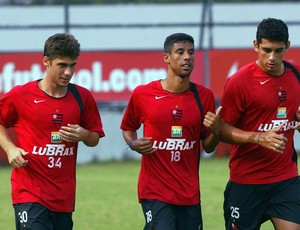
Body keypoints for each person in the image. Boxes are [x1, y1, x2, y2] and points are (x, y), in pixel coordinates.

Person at [0, 33, 105, 229]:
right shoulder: (22, 95)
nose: (68, 72)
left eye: (72, 65)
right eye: (62, 65)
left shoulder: (82, 97)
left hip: (63, 198)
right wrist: (10, 148)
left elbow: (94, 138)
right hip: (29, 193)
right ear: (46, 61)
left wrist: (84, 135)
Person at [120, 33, 221, 230]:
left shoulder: (204, 96)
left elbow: (208, 147)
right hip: (154, 192)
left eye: (191, 52)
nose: (187, 57)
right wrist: (133, 144)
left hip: (189, 194)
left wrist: (216, 131)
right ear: (166, 57)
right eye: (180, 52)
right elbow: (127, 127)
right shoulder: (143, 94)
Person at [220, 18, 300, 230]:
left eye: (278, 50)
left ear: (287, 47)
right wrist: (258, 137)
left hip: (286, 179)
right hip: (246, 181)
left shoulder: (297, 75)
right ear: (256, 46)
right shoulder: (239, 81)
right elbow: (222, 130)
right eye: (266, 50)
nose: (272, 57)